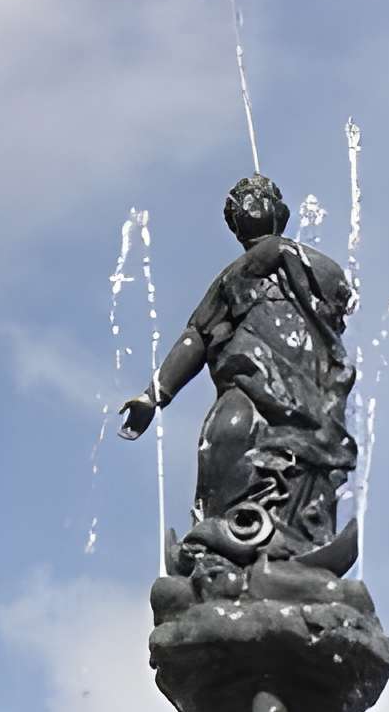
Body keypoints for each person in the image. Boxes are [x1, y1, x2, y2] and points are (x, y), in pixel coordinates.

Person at [120, 173, 356, 557]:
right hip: (247, 374)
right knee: (224, 435)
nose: (249, 204)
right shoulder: (231, 278)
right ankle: (223, 539)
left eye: (259, 197)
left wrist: (281, 252)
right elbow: (196, 335)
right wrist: (153, 396)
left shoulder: (306, 261)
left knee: (304, 456)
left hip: (304, 378)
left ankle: (296, 539)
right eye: (241, 201)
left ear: (280, 211)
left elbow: (337, 296)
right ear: (232, 222)